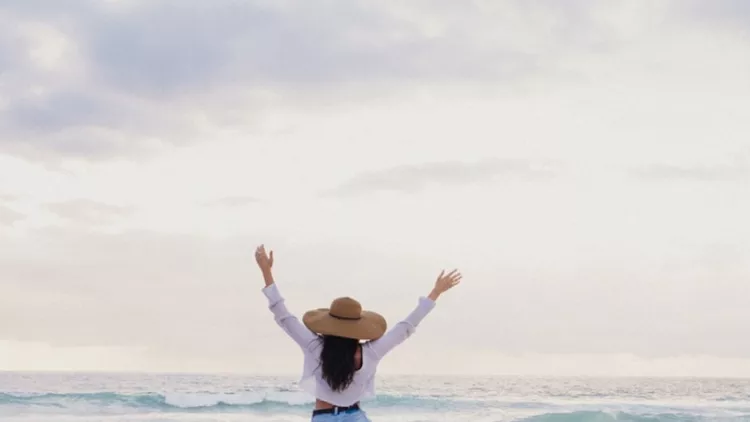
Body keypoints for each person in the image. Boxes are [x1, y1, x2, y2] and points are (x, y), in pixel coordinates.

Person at [254, 244, 462, 421]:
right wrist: (435, 293)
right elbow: (405, 327)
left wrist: (267, 273)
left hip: (324, 417)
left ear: (329, 324)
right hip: (354, 416)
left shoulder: (314, 346)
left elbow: (283, 315)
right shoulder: (371, 352)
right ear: (358, 327)